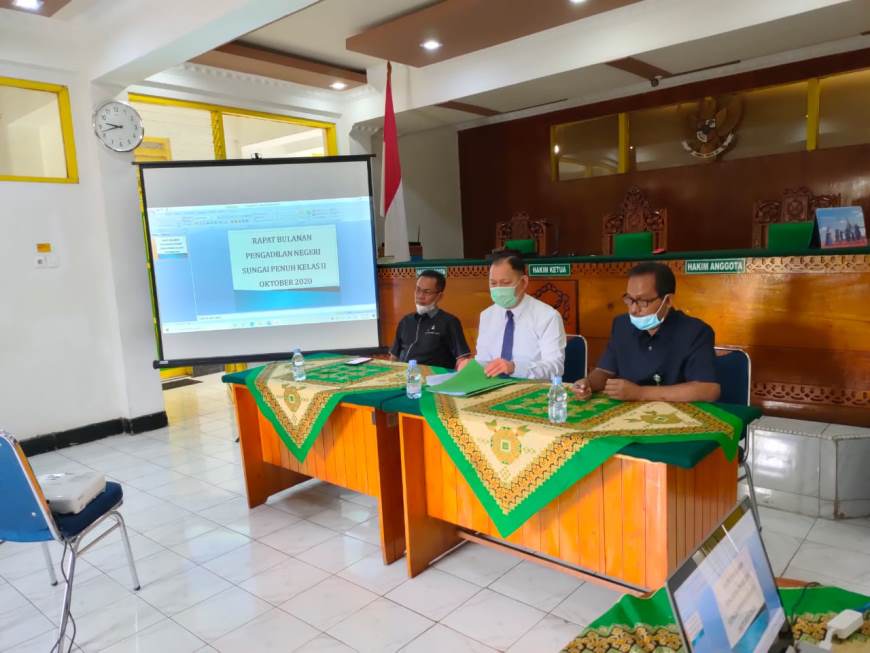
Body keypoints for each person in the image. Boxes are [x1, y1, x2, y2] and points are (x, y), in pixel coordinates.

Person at [572, 262, 720, 402]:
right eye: (629, 299)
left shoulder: (695, 332)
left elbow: (708, 390)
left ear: (667, 301)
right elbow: (604, 371)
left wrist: (640, 393)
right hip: (627, 415)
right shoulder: (622, 325)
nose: (633, 310)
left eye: (643, 301)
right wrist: (588, 383)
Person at [459, 250, 565, 379]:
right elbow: (484, 360)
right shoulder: (487, 315)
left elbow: (555, 368)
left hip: (532, 389)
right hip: (493, 386)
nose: (498, 289)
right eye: (493, 283)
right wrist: (472, 365)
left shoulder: (547, 316)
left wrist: (515, 368)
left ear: (524, 282)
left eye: (505, 283)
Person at [389, 269, 471, 369]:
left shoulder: (450, 322)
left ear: (439, 296)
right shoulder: (406, 321)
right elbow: (394, 357)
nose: (420, 296)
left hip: (434, 379)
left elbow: (462, 359)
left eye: (427, 292)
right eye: (418, 290)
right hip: (405, 377)